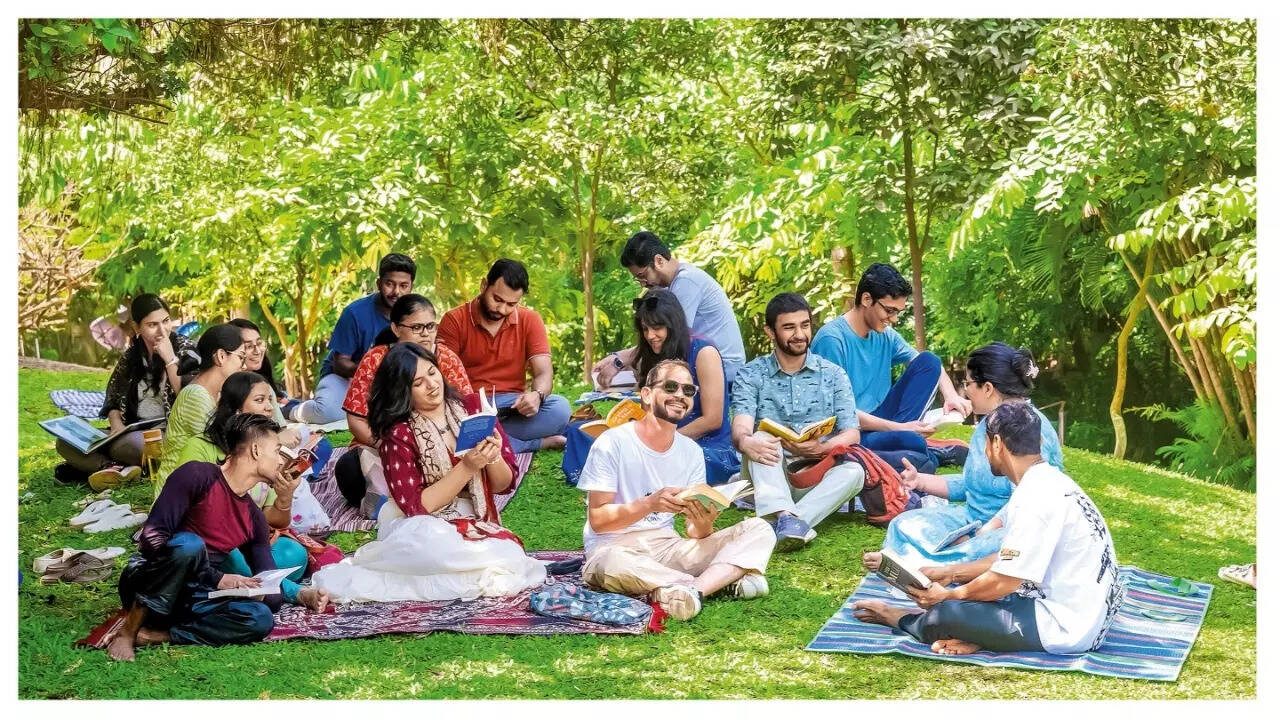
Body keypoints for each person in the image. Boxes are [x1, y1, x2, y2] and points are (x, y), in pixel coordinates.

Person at [854, 401, 1123, 656]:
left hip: (1065, 627)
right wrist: (951, 573)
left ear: (995, 443)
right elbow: (1010, 558)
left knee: (947, 611)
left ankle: (901, 619)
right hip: (1081, 614)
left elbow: (1004, 580)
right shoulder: (1049, 482)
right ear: (1039, 442)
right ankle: (982, 637)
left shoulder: (1035, 498)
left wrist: (949, 595)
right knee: (970, 593)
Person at [311, 343, 546, 601]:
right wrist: (467, 467)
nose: (432, 385)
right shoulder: (398, 434)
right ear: (403, 391)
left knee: (508, 555)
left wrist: (493, 456)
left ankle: (467, 566)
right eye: (418, 382)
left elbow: (503, 484)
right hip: (421, 525)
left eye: (433, 373)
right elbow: (417, 507)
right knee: (430, 548)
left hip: (474, 519)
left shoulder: (473, 409)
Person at [106, 413, 330, 662]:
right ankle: (128, 632)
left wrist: (255, 590)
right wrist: (218, 578)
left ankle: (158, 635)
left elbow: (272, 590)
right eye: (277, 450)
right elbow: (151, 540)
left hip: (194, 598)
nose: (282, 460)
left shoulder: (252, 516)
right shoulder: (197, 476)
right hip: (149, 584)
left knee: (259, 617)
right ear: (255, 450)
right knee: (189, 545)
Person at [578, 359, 776, 621]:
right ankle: (718, 582)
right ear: (647, 395)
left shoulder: (691, 452)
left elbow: (695, 534)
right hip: (613, 548)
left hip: (669, 548)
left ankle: (692, 590)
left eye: (688, 390)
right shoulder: (613, 442)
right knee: (612, 564)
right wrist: (649, 504)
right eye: (671, 387)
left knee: (759, 528)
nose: (680, 396)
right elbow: (599, 520)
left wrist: (703, 523)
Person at [864, 342, 1064, 568]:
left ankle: (931, 564)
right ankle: (936, 560)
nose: (966, 390)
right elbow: (973, 484)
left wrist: (980, 533)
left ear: (987, 388)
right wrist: (919, 480)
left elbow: (1031, 500)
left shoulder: (1029, 426)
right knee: (903, 524)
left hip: (1012, 529)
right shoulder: (987, 425)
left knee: (998, 550)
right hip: (972, 519)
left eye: (968, 383)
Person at [730, 292, 865, 551]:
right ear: (770, 332)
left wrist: (822, 448)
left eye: (804, 325)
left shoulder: (834, 374)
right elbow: (741, 429)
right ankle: (785, 518)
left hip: (813, 472)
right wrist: (745, 441)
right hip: (764, 476)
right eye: (789, 327)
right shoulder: (750, 374)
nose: (800, 334)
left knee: (854, 472)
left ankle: (789, 522)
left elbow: (852, 433)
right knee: (759, 437)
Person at [563, 289, 739, 486]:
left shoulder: (704, 352)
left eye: (657, 328)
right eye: (645, 329)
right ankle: (628, 467)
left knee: (666, 461)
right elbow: (650, 414)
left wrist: (665, 442)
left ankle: (625, 469)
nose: (650, 336)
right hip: (655, 439)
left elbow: (713, 420)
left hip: (703, 445)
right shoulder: (654, 353)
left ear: (673, 325)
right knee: (580, 432)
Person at [811, 262, 972, 471]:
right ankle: (923, 450)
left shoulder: (885, 335)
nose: (894, 319)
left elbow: (930, 367)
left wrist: (951, 396)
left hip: (883, 422)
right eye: (889, 310)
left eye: (898, 312)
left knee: (929, 360)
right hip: (849, 432)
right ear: (866, 299)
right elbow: (839, 414)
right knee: (916, 451)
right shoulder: (832, 340)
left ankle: (912, 446)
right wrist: (902, 429)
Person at [338, 294, 472, 515]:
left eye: (430, 326)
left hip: (441, 445)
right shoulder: (375, 359)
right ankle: (394, 495)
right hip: (383, 447)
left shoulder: (447, 358)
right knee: (349, 469)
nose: (426, 334)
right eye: (417, 327)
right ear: (396, 328)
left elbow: (465, 411)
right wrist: (392, 448)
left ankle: (413, 494)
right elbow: (356, 418)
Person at [56, 294, 201, 486]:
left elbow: (191, 397)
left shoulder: (185, 349)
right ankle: (115, 469)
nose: (162, 330)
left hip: (167, 434)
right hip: (128, 431)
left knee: (133, 444)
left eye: (166, 321)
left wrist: (169, 360)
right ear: (136, 328)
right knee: (66, 442)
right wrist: (116, 425)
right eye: (152, 325)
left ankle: (103, 468)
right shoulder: (132, 355)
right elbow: (113, 398)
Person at [437, 258, 570, 453]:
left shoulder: (530, 320)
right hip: (470, 407)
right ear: (484, 285)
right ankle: (532, 444)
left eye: (511, 304)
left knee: (560, 408)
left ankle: (481, 441)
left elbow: (543, 373)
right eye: (497, 299)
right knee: (453, 424)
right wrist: (470, 409)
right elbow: (444, 381)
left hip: (513, 407)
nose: (502, 310)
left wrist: (537, 396)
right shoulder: (454, 320)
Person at [592, 231, 747, 386]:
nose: (642, 283)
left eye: (642, 275)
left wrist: (619, 362)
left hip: (724, 368)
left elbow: (672, 338)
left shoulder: (687, 281)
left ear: (659, 261)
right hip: (702, 363)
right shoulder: (670, 287)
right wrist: (617, 357)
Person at [287, 253, 416, 424]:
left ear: (411, 287)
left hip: (389, 385)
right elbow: (340, 363)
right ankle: (293, 409)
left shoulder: (415, 314)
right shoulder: (354, 313)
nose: (396, 292)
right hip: (344, 378)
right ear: (379, 284)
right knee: (330, 413)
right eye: (389, 284)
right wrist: (376, 373)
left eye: (403, 285)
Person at [155, 324, 248, 485]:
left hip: (199, 483)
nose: (244, 366)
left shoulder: (214, 394)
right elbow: (224, 449)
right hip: (177, 494)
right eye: (241, 357)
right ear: (221, 356)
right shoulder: (195, 396)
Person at [228, 318, 288, 425]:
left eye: (259, 343)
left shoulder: (263, 383)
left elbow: (279, 426)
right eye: (249, 346)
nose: (257, 351)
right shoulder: (228, 387)